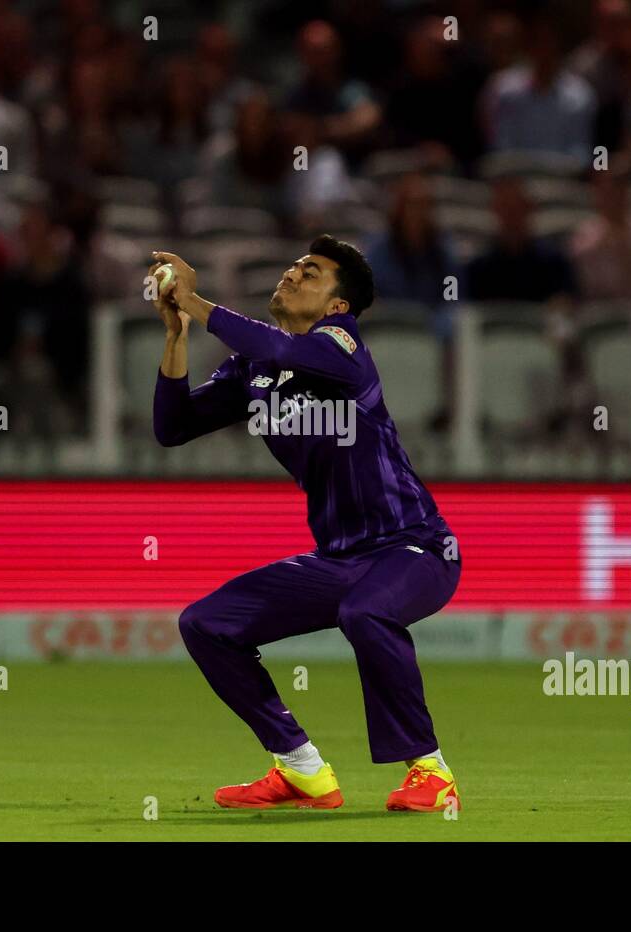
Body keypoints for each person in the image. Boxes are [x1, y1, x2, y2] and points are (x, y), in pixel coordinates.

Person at [150, 236, 462, 813]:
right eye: (294, 265)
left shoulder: (341, 344)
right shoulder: (255, 369)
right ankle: (300, 769)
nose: (292, 274)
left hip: (415, 548)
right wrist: (177, 335)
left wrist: (198, 302)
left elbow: (288, 351)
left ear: (337, 306)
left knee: (365, 611)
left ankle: (431, 771)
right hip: (340, 561)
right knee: (207, 623)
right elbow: (173, 427)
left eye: (311, 272)